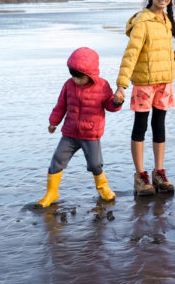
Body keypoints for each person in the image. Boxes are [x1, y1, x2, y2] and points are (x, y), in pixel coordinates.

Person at [115, 0, 175, 197]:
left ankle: (159, 172)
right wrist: (121, 85)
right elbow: (131, 54)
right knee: (140, 127)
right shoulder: (143, 21)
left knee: (160, 126)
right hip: (144, 84)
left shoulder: (167, 22)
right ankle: (140, 175)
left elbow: (162, 55)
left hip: (164, 84)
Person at [35, 47, 123, 207]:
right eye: (73, 76)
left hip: (91, 135)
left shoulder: (103, 86)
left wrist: (117, 101)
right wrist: (53, 122)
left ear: (90, 74)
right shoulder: (69, 85)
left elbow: (110, 106)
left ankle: (103, 187)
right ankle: (51, 193)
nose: (76, 80)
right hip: (69, 133)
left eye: (80, 78)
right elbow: (61, 105)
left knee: (95, 164)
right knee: (57, 160)